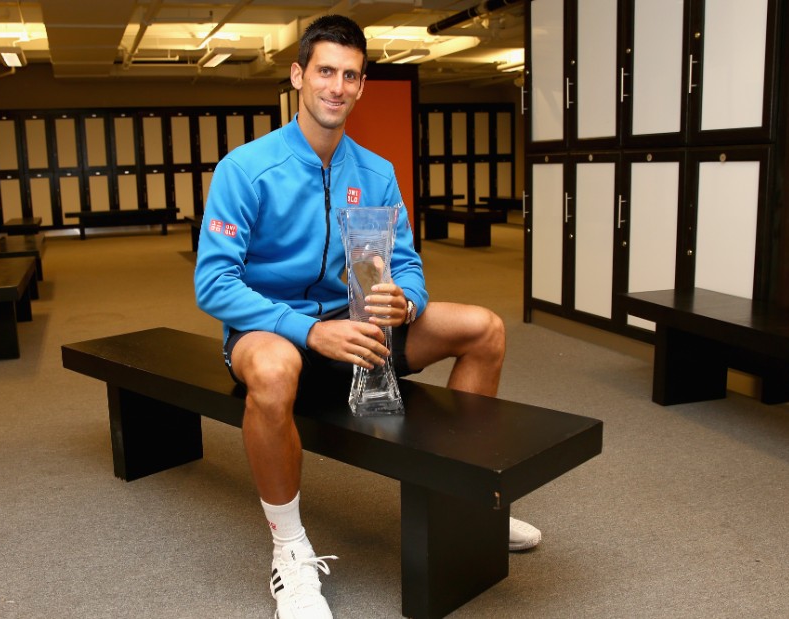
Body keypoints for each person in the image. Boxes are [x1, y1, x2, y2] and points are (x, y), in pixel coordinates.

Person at [193, 14, 540, 619]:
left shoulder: (376, 172)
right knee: (274, 372)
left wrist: (407, 302)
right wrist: (308, 330)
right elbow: (214, 283)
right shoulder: (245, 169)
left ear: (360, 86)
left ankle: (466, 504)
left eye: (350, 75)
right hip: (275, 331)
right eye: (325, 71)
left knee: (484, 327)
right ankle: (291, 552)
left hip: (362, 332)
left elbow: (407, 265)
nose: (337, 86)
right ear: (299, 75)